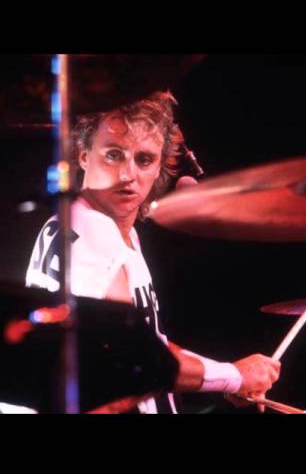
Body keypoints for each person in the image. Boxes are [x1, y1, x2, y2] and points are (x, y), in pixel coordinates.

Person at [26, 91, 280, 413]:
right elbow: (136, 358)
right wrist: (233, 377)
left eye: (144, 159)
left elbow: (151, 344)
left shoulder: (100, 227)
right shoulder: (93, 231)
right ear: (84, 155)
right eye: (113, 155)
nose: (128, 175)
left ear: (160, 166)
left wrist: (225, 376)